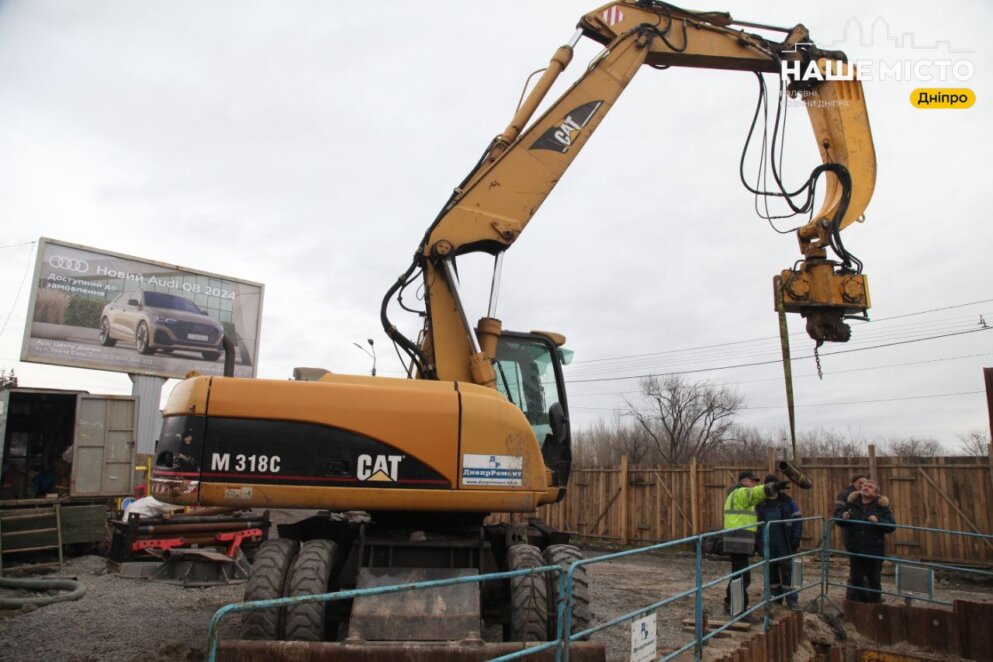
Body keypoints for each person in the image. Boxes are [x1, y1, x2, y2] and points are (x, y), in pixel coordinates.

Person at [723, 470, 786, 618]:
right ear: (744, 481)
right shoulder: (740, 493)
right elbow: (755, 494)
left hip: (739, 541)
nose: (754, 484)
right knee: (741, 576)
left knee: (738, 574)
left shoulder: (739, 496)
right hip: (738, 541)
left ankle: (729, 601)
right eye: (752, 481)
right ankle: (739, 609)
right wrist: (771, 487)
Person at [833, 480, 895, 603]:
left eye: (870, 487)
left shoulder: (881, 507)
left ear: (876, 493)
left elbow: (892, 526)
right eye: (864, 486)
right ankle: (863, 602)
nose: (865, 488)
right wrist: (843, 517)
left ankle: (875, 606)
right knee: (856, 580)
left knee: (874, 581)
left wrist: (878, 521)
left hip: (874, 550)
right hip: (856, 550)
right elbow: (838, 520)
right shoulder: (852, 505)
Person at [755, 474, 803, 610]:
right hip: (766, 541)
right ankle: (776, 596)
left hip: (784, 540)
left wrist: (796, 538)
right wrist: (756, 542)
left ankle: (792, 599)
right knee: (771, 570)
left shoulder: (787, 501)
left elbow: (797, 520)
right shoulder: (759, 503)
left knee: (788, 569)